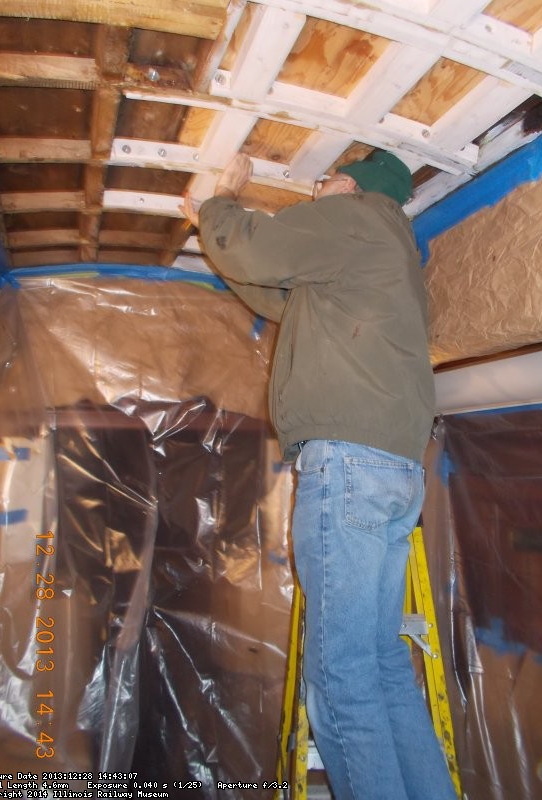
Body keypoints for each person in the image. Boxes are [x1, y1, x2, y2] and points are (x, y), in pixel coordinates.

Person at [181, 151, 456, 800]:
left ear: (355, 186)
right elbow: (278, 290)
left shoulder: (354, 216)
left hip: (350, 467)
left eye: (325, 178)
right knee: (384, 667)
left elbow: (257, 249)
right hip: (390, 473)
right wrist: (210, 232)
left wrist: (222, 199)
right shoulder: (384, 250)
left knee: (341, 677)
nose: (317, 186)